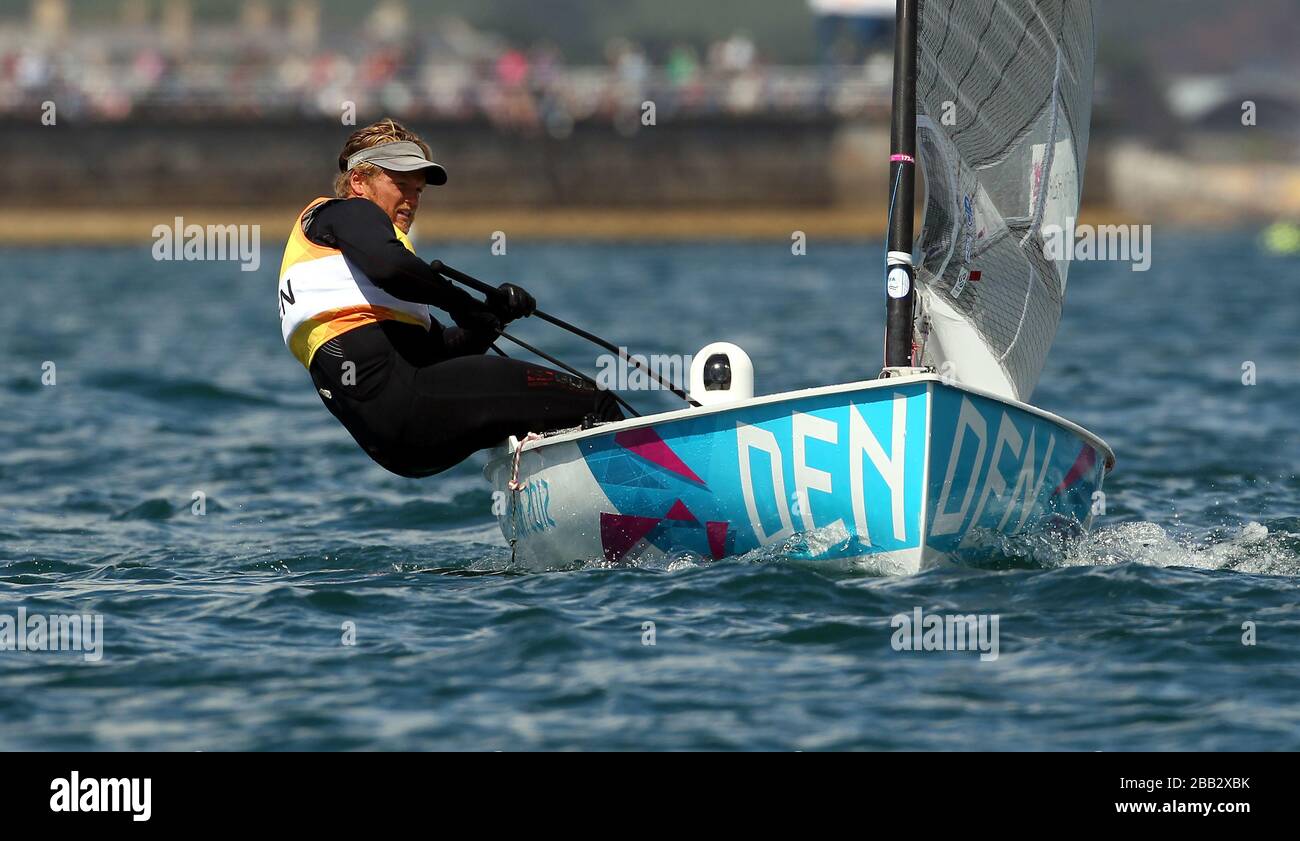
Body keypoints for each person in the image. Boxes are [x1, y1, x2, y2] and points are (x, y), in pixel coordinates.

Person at [277, 118, 623, 478]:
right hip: (406, 409)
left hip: (402, 445)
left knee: (550, 415)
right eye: (400, 184)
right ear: (358, 182)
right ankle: (657, 514)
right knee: (595, 402)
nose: (411, 199)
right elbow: (392, 269)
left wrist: (493, 316)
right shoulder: (344, 212)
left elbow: (444, 359)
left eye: (418, 190)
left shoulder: (350, 277)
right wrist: (463, 304)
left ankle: (581, 515)